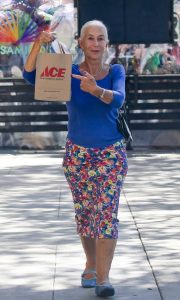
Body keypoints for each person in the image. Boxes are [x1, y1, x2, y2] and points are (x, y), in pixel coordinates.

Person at [23, 20, 128, 298]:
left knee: (105, 215)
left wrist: (96, 90)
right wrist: (38, 43)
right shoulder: (68, 71)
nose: (95, 43)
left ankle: (104, 279)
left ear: (107, 43)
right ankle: (91, 264)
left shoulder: (115, 70)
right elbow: (30, 76)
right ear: (80, 43)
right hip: (77, 154)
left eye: (100, 38)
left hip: (110, 154)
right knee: (85, 214)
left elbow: (118, 99)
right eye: (89, 38)